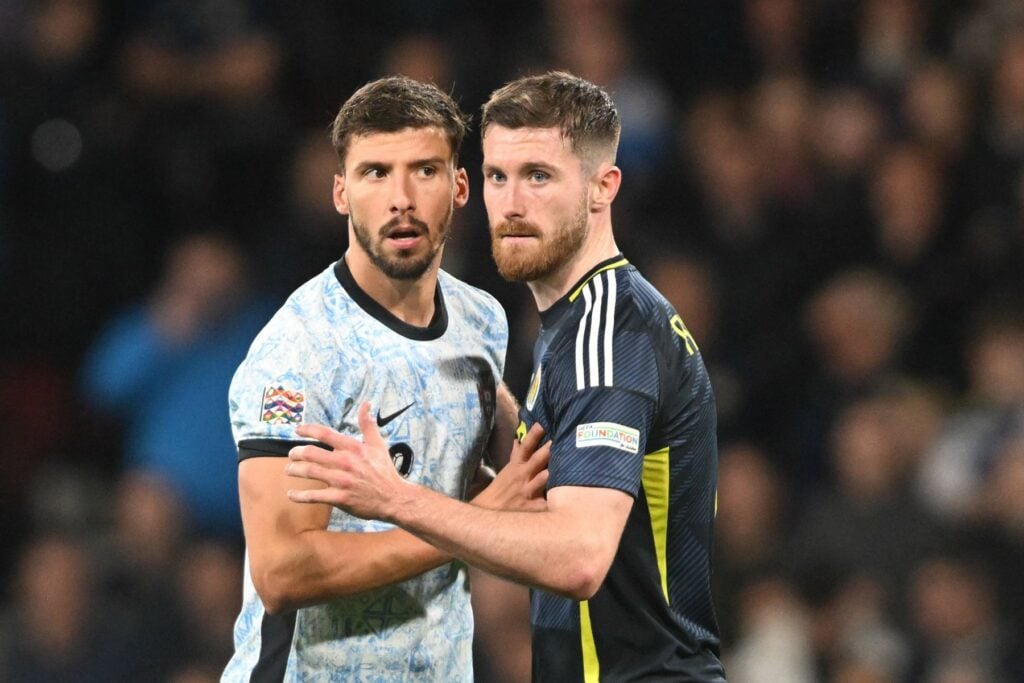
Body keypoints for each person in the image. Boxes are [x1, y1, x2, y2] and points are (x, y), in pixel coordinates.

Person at [288, 71, 726, 681]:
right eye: (498, 176)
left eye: (539, 176)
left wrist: (398, 500)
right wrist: (487, 408)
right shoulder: (576, 326)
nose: (513, 204)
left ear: (604, 188)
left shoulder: (607, 336)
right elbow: (561, 493)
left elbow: (578, 556)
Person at [222, 76, 548, 681]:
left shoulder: (482, 319)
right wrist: (471, 526)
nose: (401, 197)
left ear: (459, 187)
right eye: (375, 172)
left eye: (423, 170)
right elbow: (281, 570)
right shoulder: (299, 352)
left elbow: (454, 472)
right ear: (341, 192)